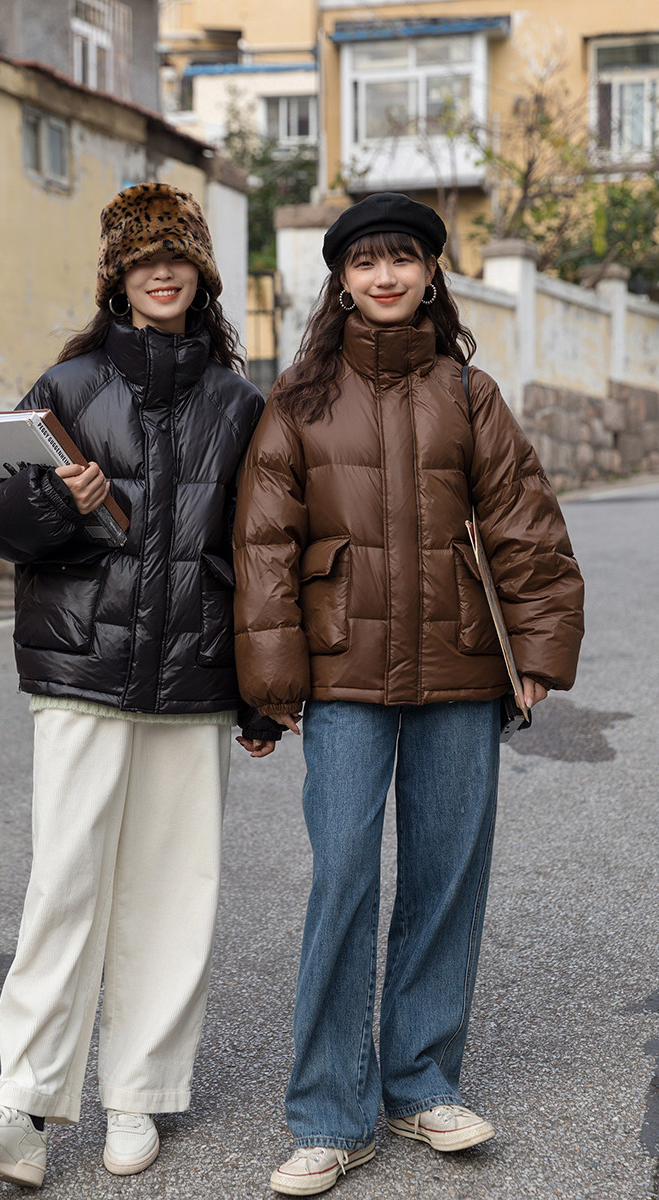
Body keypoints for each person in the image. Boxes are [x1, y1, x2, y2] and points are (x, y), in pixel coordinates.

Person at [0, 182, 278, 1188]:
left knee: (174, 890)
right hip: (81, 667)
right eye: (140, 261)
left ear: (201, 275)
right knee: (64, 884)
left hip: (194, 677)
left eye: (176, 258)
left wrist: (263, 684)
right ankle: (22, 1106)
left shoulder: (237, 403)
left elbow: (261, 554)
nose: (160, 273)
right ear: (116, 280)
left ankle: (138, 1094)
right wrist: (53, 499)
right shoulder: (67, 385)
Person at [232, 193, 585, 1196]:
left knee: (445, 878)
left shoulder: (468, 392)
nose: (384, 277)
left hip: (458, 665)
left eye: (403, 260)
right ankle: (328, 1114)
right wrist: (269, 679)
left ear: (431, 274)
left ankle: (421, 1083)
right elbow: (262, 545)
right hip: (342, 671)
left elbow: (523, 525)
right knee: (343, 877)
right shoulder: (297, 399)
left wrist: (537, 649)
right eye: (365, 262)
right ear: (340, 280)